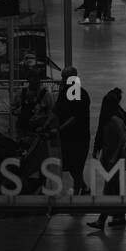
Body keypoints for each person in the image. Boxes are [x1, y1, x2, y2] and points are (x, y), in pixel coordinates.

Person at [87, 91, 126, 230]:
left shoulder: (113, 120)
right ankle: (120, 216)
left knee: (108, 190)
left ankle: (101, 220)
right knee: (115, 189)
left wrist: (112, 156)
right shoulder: (117, 117)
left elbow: (122, 139)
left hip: (112, 160)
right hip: (111, 159)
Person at [53, 67, 91, 196]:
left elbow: (76, 117)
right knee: (71, 166)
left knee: (77, 165)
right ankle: (84, 188)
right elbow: (56, 111)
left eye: (65, 78)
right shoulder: (65, 93)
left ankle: (76, 192)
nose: (63, 80)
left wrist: (59, 129)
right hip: (67, 136)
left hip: (79, 137)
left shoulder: (80, 94)